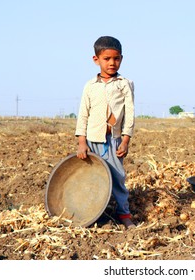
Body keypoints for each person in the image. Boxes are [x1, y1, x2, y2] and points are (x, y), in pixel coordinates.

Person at [75, 36, 136, 229]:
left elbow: (130, 115)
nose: (112, 63)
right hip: (92, 140)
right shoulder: (90, 86)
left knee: (117, 177)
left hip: (113, 141)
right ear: (96, 60)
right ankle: (92, 213)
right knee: (91, 177)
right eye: (107, 59)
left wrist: (125, 141)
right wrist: (81, 142)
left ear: (121, 59)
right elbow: (83, 114)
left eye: (116, 58)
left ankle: (124, 213)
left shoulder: (125, 84)